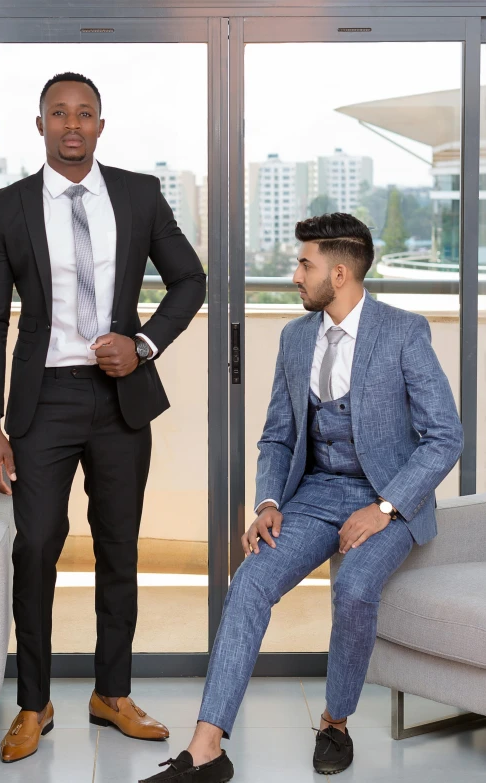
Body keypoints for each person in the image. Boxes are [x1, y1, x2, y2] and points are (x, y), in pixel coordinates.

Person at [139, 212, 464, 782]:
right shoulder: (295, 338)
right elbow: (278, 435)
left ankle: (334, 723)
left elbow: (446, 435)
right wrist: (267, 503)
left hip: (384, 497)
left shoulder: (403, 332)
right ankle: (207, 746)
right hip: (315, 493)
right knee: (251, 580)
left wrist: (385, 507)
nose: (294, 275)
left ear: (339, 273)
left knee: (357, 586)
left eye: (304, 263)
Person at [0, 71, 206, 764]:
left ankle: (112, 692)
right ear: (39, 124)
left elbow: (189, 278)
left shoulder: (139, 195)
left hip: (120, 399)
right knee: (35, 544)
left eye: (85, 113)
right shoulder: (6, 208)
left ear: (102, 124)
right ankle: (34, 703)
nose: (72, 124)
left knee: (119, 547)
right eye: (58, 113)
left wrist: (143, 344)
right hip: (41, 403)